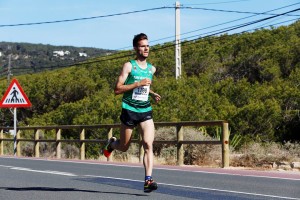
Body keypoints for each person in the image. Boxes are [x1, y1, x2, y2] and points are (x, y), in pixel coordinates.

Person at [103, 33, 161, 193]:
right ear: (136, 48)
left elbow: (144, 87)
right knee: (124, 146)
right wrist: (137, 83)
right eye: (143, 46)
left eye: (148, 45)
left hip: (145, 110)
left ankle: (148, 181)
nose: (146, 48)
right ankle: (112, 144)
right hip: (129, 110)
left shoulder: (151, 69)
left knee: (148, 144)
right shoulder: (129, 66)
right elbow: (117, 89)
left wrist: (151, 93)